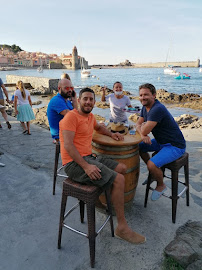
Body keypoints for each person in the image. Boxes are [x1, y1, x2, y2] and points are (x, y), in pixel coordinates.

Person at [59, 87, 146, 244]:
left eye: (91, 99)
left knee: (122, 168)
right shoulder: (70, 118)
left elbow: (98, 128)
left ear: (94, 102)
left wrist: (112, 134)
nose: (88, 102)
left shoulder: (90, 117)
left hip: (90, 157)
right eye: (85, 98)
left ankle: (99, 201)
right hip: (74, 164)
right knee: (118, 179)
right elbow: (68, 147)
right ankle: (122, 228)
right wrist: (86, 166)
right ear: (78, 100)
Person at [136, 83, 186, 201]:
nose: (143, 97)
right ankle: (154, 172)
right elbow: (138, 125)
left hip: (175, 145)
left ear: (154, 95)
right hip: (161, 141)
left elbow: (143, 129)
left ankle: (161, 184)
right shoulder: (145, 107)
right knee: (139, 147)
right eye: (141, 95)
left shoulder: (157, 109)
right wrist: (142, 133)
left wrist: (142, 132)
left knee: (151, 164)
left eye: (146, 95)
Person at [47, 78, 78, 143]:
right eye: (66, 88)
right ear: (59, 89)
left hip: (68, 133)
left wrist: (74, 100)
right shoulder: (57, 100)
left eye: (71, 88)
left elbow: (76, 114)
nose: (69, 90)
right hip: (61, 136)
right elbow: (73, 117)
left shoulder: (67, 101)